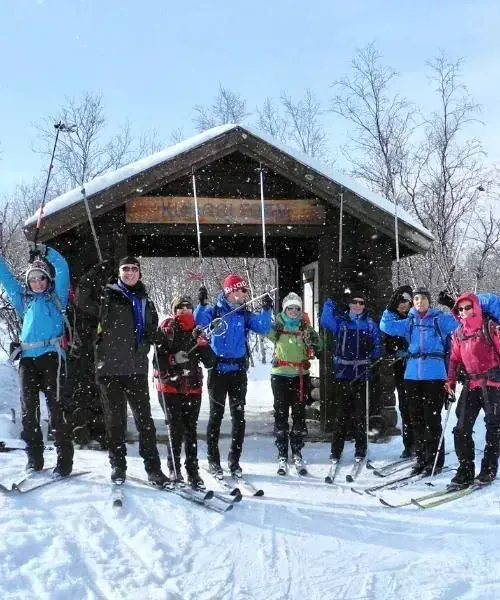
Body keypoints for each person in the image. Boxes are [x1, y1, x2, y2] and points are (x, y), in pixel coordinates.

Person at [76, 256, 168, 486]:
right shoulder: (107, 295)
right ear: (119, 273)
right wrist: (93, 273)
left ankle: (153, 469)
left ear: (140, 273)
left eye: (133, 269)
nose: (129, 273)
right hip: (109, 368)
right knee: (115, 422)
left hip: (136, 367)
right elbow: (80, 298)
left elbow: (150, 327)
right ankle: (118, 466)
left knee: (145, 421)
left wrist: (153, 336)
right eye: (125, 269)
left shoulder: (145, 299)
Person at [0, 242, 73, 475]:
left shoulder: (57, 297)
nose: (37, 283)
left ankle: (64, 460)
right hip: (28, 361)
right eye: (33, 279)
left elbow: (62, 268)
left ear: (47, 280)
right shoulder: (25, 301)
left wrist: (45, 251)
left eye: (41, 278)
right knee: (28, 411)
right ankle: (34, 458)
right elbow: (6, 279)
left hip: (52, 357)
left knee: (56, 408)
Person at [194, 274, 273, 477]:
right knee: (216, 416)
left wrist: (266, 309)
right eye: (238, 290)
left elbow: (263, 327)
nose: (242, 294)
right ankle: (213, 461)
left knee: (239, 417)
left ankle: (234, 460)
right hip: (218, 371)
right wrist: (201, 304)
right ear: (229, 292)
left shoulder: (244, 314)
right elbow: (199, 324)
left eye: (244, 291)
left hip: (238, 372)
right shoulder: (215, 311)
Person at [380, 287, 457, 475]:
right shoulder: (409, 322)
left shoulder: (439, 320)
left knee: (432, 419)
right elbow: (386, 325)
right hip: (412, 376)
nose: (419, 302)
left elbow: (463, 321)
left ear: (429, 301)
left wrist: (452, 305)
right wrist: (390, 307)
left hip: (435, 375)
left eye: (423, 298)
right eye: (416, 299)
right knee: (416, 420)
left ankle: (435, 461)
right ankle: (421, 458)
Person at [154, 295, 215, 486]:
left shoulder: (197, 331)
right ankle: (174, 469)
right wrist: (173, 359)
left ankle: (192, 470)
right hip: (170, 387)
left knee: (191, 430)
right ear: (175, 310)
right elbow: (156, 360)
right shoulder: (166, 329)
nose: (185, 310)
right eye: (180, 307)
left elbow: (210, 362)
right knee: (175, 428)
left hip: (193, 388)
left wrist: (204, 346)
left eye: (188, 307)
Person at [320, 288, 382, 463]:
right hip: (343, 374)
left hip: (362, 374)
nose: (357, 305)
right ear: (349, 304)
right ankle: (336, 451)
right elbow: (325, 320)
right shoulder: (341, 322)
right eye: (354, 302)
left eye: (361, 303)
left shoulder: (370, 324)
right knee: (341, 414)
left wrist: (374, 356)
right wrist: (331, 300)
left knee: (360, 414)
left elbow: (377, 345)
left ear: (364, 305)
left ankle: (360, 450)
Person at [446, 292, 500, 487]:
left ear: (476, 307)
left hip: (492, 384)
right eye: (460, 309)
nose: (464, 311)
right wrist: (450, 381)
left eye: (468, 307)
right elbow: (454, 359)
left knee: (494, 428)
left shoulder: (490, 327)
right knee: (461, 429)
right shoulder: (459, 333)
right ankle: (465, 469)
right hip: (471, 385)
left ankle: (489, 469)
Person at [266, 292, 321, 475]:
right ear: (284, 309)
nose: (293, 311)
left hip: (300, 374)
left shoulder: (304, 325)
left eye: (296, 308)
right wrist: (267, 313)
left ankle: (296, 450)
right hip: (280, 374)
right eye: (290, 308)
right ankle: (282, 452)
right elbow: (265, 331)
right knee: (281, 414)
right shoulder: (278, 324)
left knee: (298, 414)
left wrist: (312, 340)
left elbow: (319, 344)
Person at [384, 285, 414, 458]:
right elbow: (386, 343)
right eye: (400, 301)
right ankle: (409, 445)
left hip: (417, 369)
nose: (403, 304)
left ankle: (421, 443)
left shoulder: (415, 319)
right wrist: (394, 351)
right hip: (401, 369)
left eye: (406, 301)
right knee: (405, 407)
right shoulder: (392, 321)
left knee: (417, 407)